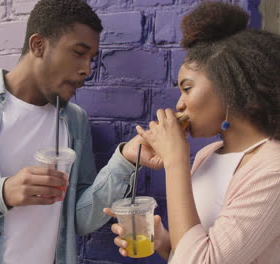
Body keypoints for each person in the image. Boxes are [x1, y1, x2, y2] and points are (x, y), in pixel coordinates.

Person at [0, 0, 162, 263]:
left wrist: (125, 162)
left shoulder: (74, 121)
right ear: (38, 45)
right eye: (78, 52)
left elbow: (80, 219)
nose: (87, 69)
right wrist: (3, 193)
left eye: (91, 59)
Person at [105, 1, 280, 263]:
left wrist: (175, 162)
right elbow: (190, 251)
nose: (179, 104)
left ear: (227, 86)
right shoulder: (207, 155)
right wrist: (165, 241)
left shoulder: (273, 169)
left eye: (187, 88)